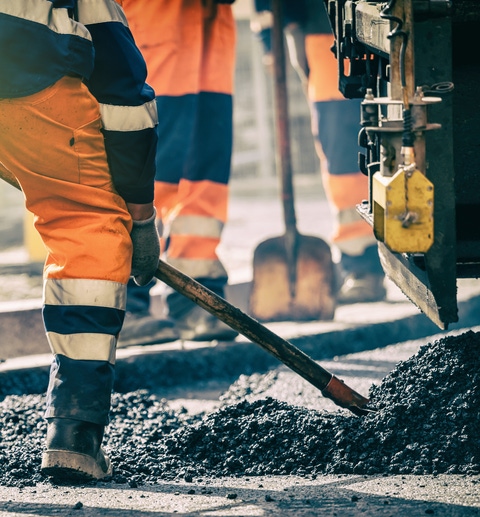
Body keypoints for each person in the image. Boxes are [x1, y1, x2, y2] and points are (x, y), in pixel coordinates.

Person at [0, 1, 161, 482]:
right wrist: (138, 215)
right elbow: (125, 99)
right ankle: (74, 433)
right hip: (26, 65)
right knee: (85, 222)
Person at [118, 0, 238, 346]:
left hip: (210, 17)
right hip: (152, 15)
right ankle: (121, 304)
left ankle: (195, 298)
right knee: (149, 155)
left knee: (205, 166)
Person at [251, 0, 387, 303]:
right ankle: (362, 263)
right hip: (327, 32)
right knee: (344, 155)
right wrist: (275, 38)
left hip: (396, 25)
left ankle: (401, 258)